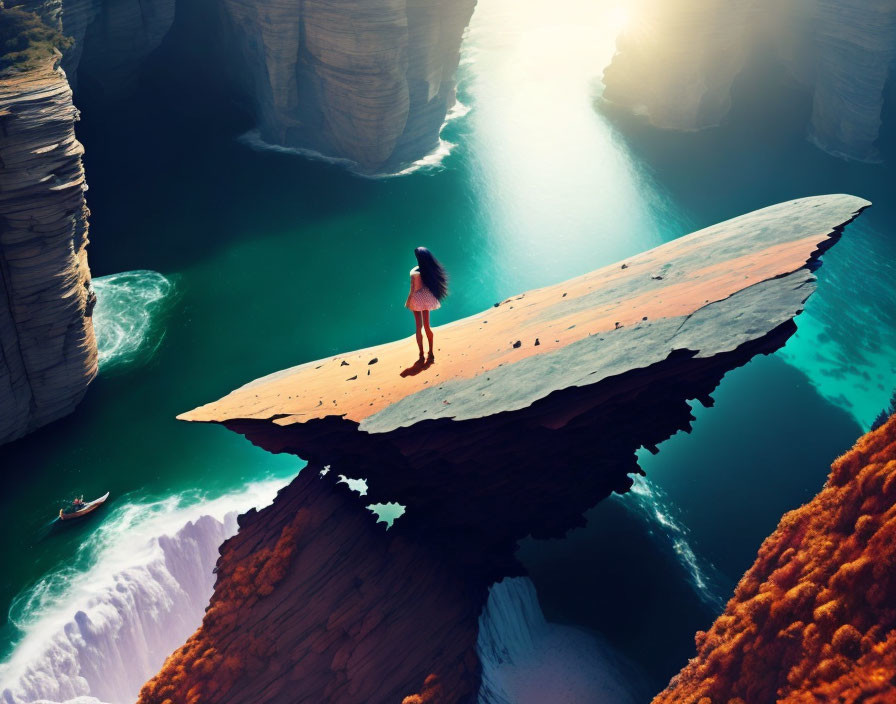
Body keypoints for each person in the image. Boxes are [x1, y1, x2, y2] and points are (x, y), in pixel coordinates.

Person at [405, 246, 448, 362]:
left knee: (418, 328)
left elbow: (413, 288)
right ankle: (431, 352)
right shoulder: (429, 269)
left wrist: (408, 301)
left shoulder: (414, 272)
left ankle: (421, 354)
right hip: (426, 298)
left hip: (416, 299)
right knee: (427, 327)